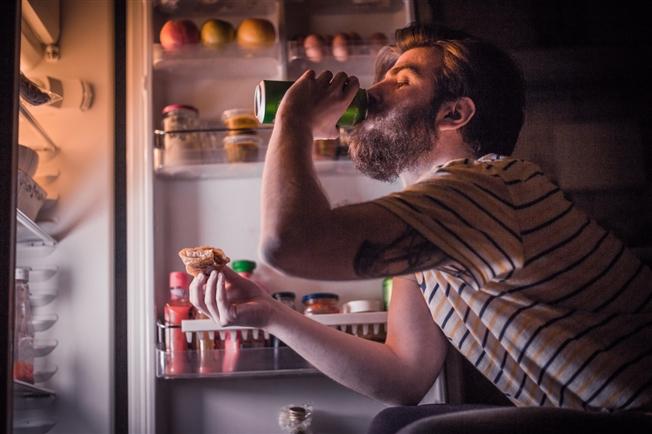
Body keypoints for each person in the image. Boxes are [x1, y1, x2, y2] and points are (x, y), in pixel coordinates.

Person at [190, 23, 652, 433]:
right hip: (593, 416)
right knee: (397, 421)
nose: (375, 90)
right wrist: (271, 314)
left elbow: (288, 243)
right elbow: (403, 376)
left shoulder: (485, 188)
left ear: (454, 114)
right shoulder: (435, 222)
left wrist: (295, 118)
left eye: (401, 80)